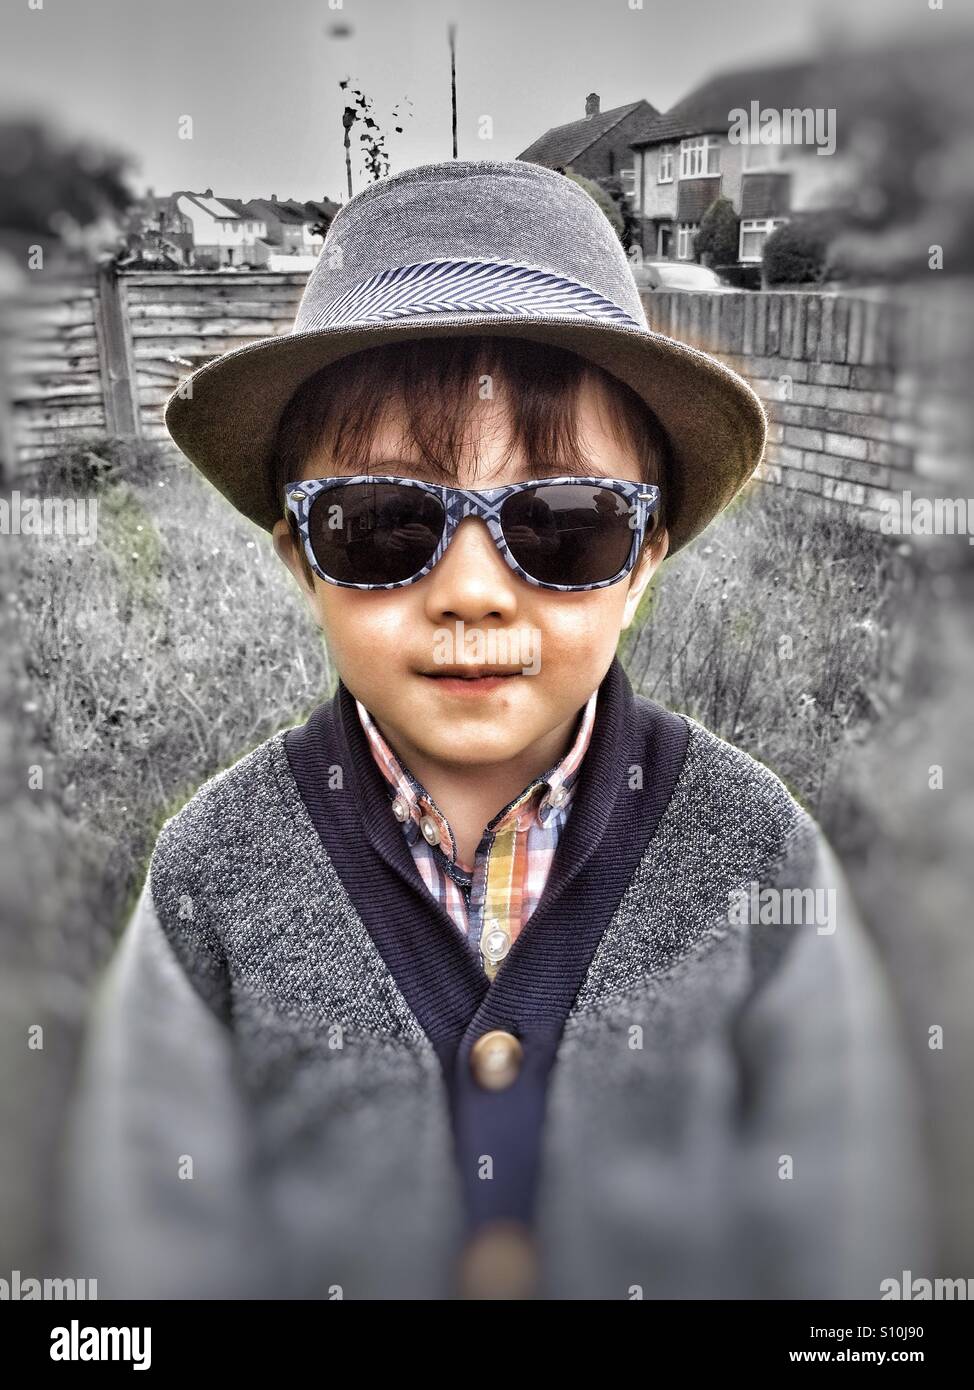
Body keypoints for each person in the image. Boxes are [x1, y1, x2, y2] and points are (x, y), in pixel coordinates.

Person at [57, 159, 933, 1300]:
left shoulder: (756, 850)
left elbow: (847, 1240)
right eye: (383, 521)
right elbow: (147, 1260)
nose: (472, 590)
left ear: (640, 566)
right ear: (300, 559)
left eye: (562, 523)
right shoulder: (208, 879)